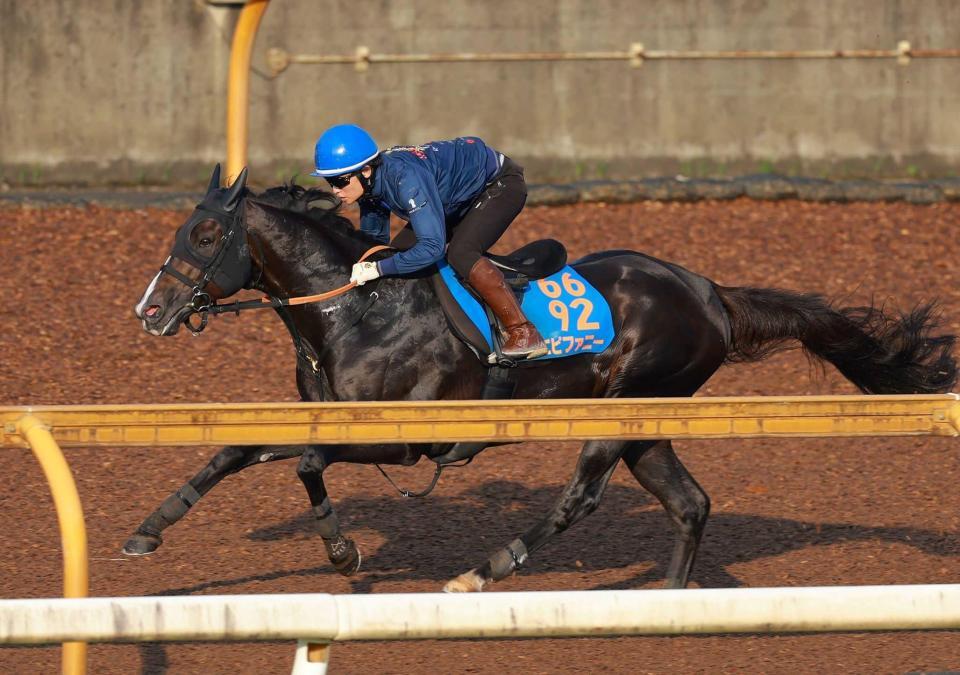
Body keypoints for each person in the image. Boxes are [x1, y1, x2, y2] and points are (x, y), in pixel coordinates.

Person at [310, 124, 548, 360]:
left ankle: (523, 331)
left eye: (340, 182)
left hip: (498, 185)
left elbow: (433, 248)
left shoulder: (406, 179)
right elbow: (373, 247)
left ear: (366, 171)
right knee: (399, 253)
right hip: (453, 196)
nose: (335, 191)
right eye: (329, 182)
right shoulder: (369, 187)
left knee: (461, 253)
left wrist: (378, 269)